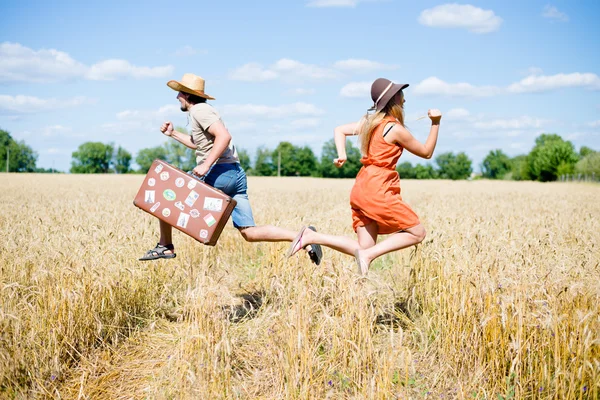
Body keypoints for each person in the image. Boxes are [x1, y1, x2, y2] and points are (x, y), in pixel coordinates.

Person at [140, 73, 322, 264]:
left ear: (187, 95)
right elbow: (199, 143)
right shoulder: (203, 111)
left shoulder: (199, 110)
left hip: (218, 172)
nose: (177, 97)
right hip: (234, 174)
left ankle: (166, 246)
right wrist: (173, 133)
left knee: (165, 195)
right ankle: (306, 237)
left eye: (179, 93)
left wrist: (206, 164)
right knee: (249, 232)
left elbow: (223, 136)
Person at [286, 78, 441, 275]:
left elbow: (339, 129)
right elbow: (426, 152)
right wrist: (435, 124)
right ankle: (368, 256)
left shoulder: (370, 123)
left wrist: (342, 154)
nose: (404, 99)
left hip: (361, 187)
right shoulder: (394, 129)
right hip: (379, 188)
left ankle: (310, 237)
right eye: (400, 94)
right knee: (418, 232)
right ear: (393, 100)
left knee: (364, 248)